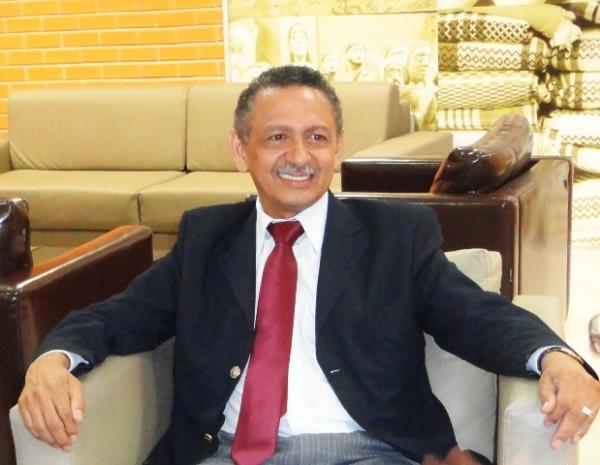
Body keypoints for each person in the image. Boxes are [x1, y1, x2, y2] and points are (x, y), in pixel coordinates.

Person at [19, 66, 600, 465]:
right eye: (277, 137)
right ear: (240, 149)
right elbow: (119, 316)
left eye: (317, 137)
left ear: (337, 147)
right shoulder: (206, 239)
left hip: (368, 452)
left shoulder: (396, 236)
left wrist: (556, 356)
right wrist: (52, 360)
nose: (299, 156)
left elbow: (475, 314)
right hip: (227, 453)